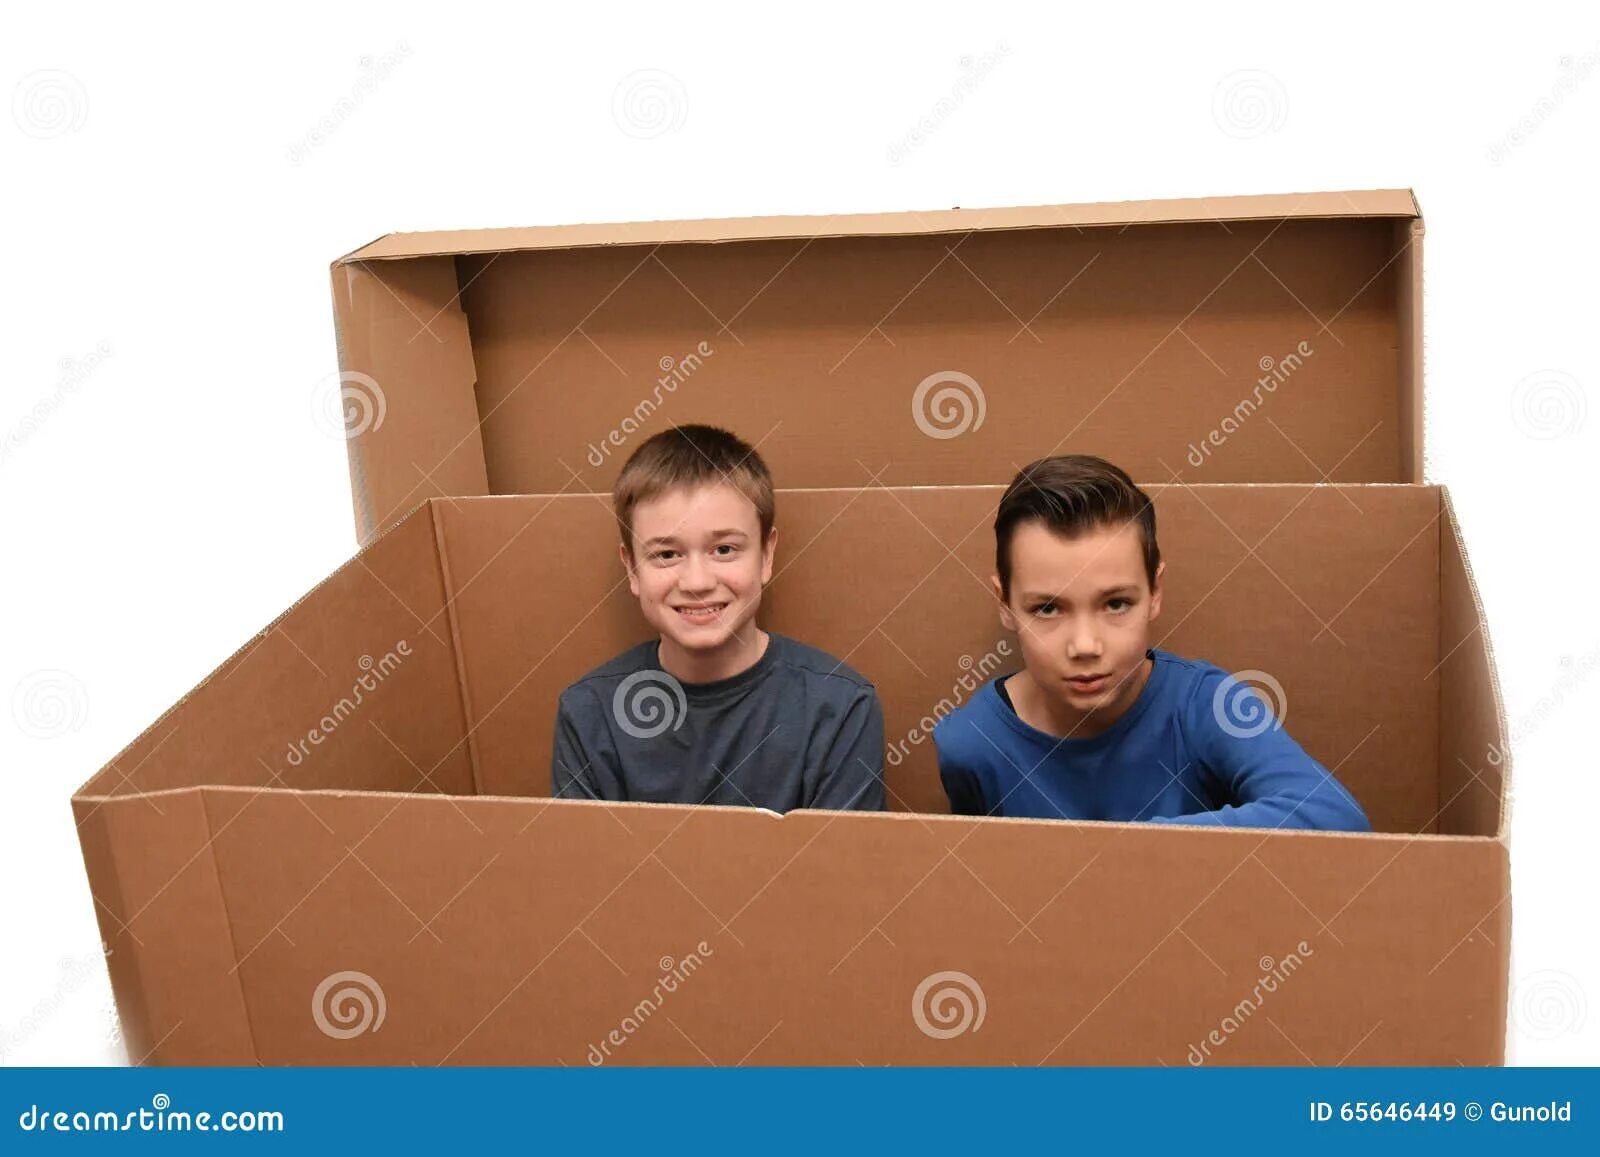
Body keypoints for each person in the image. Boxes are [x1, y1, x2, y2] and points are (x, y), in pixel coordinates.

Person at [934, 453, 1370, 831]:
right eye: (1047, 609)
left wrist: (1123, 846)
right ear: (1005, 603)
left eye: (1116, 603)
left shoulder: (1205, 706)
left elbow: (1335, 816)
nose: (1085, 645)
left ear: (1155, 593)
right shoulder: (971, 744)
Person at [552, 424, 885, 813]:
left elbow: (843, 868)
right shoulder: (589, 713)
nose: (697, 582)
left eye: (724, 549)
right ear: (631, 569)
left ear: (766, 555)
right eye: (666, 554)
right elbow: (586, 869)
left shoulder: (839, 709)